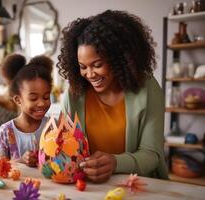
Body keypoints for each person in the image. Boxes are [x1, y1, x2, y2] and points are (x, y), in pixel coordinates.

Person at [57, 10, 168, 182]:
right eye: (83, 66)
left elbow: (152, 154)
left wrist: (116, 163)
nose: (90, 74)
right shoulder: (74, 94)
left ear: (119, 59)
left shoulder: (147, 88)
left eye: (97, 65)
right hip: (88, 187)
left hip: (136, 186)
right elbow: (63, 146)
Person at [0, 54, 53, 167]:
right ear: (18, 99)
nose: (42, 103)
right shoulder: (5, 132)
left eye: (46, 97)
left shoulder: (54, 127)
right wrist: (21, 160)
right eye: (33, 98)